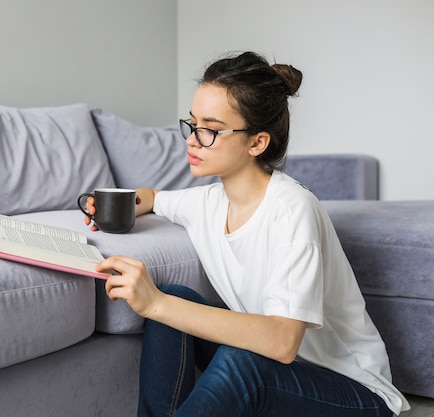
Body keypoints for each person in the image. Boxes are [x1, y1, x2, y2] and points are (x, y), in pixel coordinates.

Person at [83, 51, 409, 417]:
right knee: (177, 301)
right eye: (191, 124)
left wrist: (154, 301)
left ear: (257, 143)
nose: (191, 140)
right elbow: (155, 199)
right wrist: (111, 206)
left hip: (352, 393)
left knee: (238, 361)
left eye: (210, 129)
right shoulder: (207, 202)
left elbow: (283, 342)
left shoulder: (291, 210)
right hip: (280, 377)